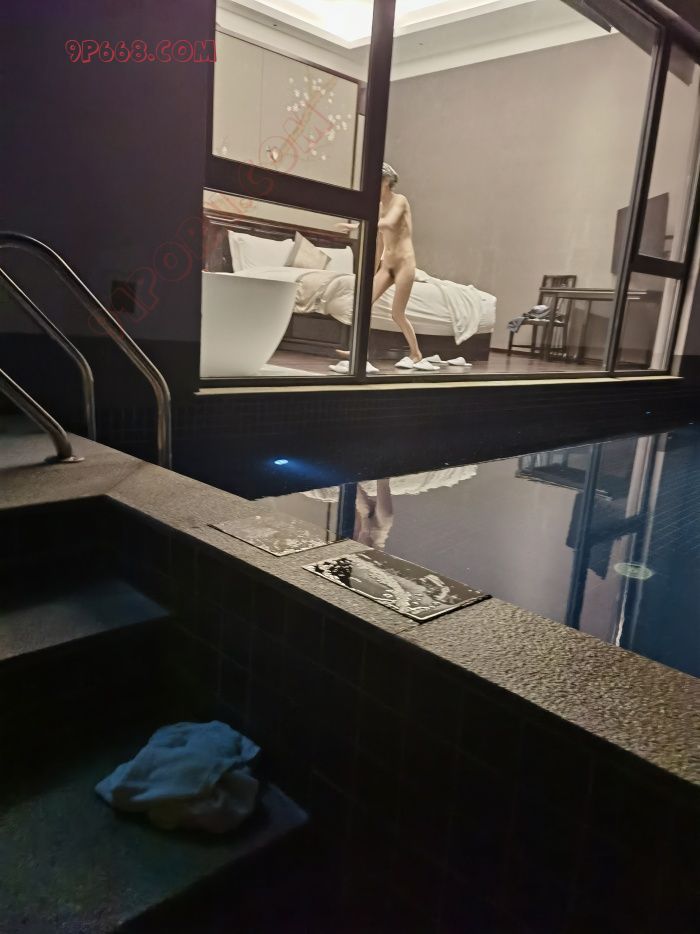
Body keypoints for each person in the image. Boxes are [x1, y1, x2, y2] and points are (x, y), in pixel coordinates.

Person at [334, 162, 438, 371]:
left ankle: (416, 353)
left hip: (404, 265)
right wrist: (371, 272)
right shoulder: (379, 208)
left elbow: (389, 223)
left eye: (378, 181)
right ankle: (358, 350)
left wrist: (360, 223)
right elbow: (379, 242)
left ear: (387, 181)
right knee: (363, 305)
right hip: (387, 265)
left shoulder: (400, 201)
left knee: (397, 313)